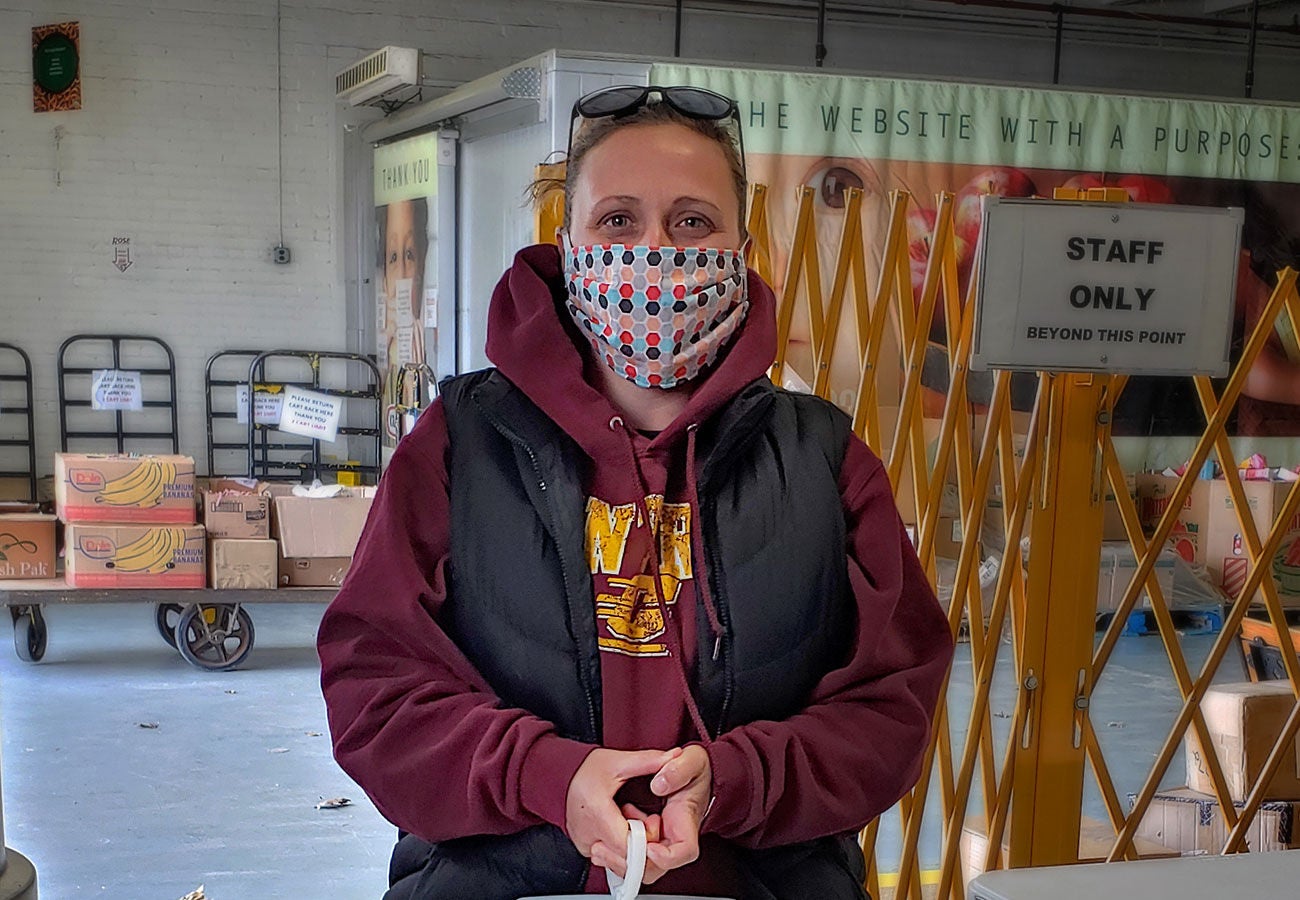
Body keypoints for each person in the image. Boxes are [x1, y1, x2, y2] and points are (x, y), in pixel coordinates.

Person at [318, 84, 953, 900]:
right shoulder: (459, 445)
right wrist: (547, 775)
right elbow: (376, 687)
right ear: (568, 239)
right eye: (617, 219)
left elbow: (890, 705)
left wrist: (735, 781)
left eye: (693, 221)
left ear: (741, 245)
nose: (655, 248)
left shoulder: (822, 459)